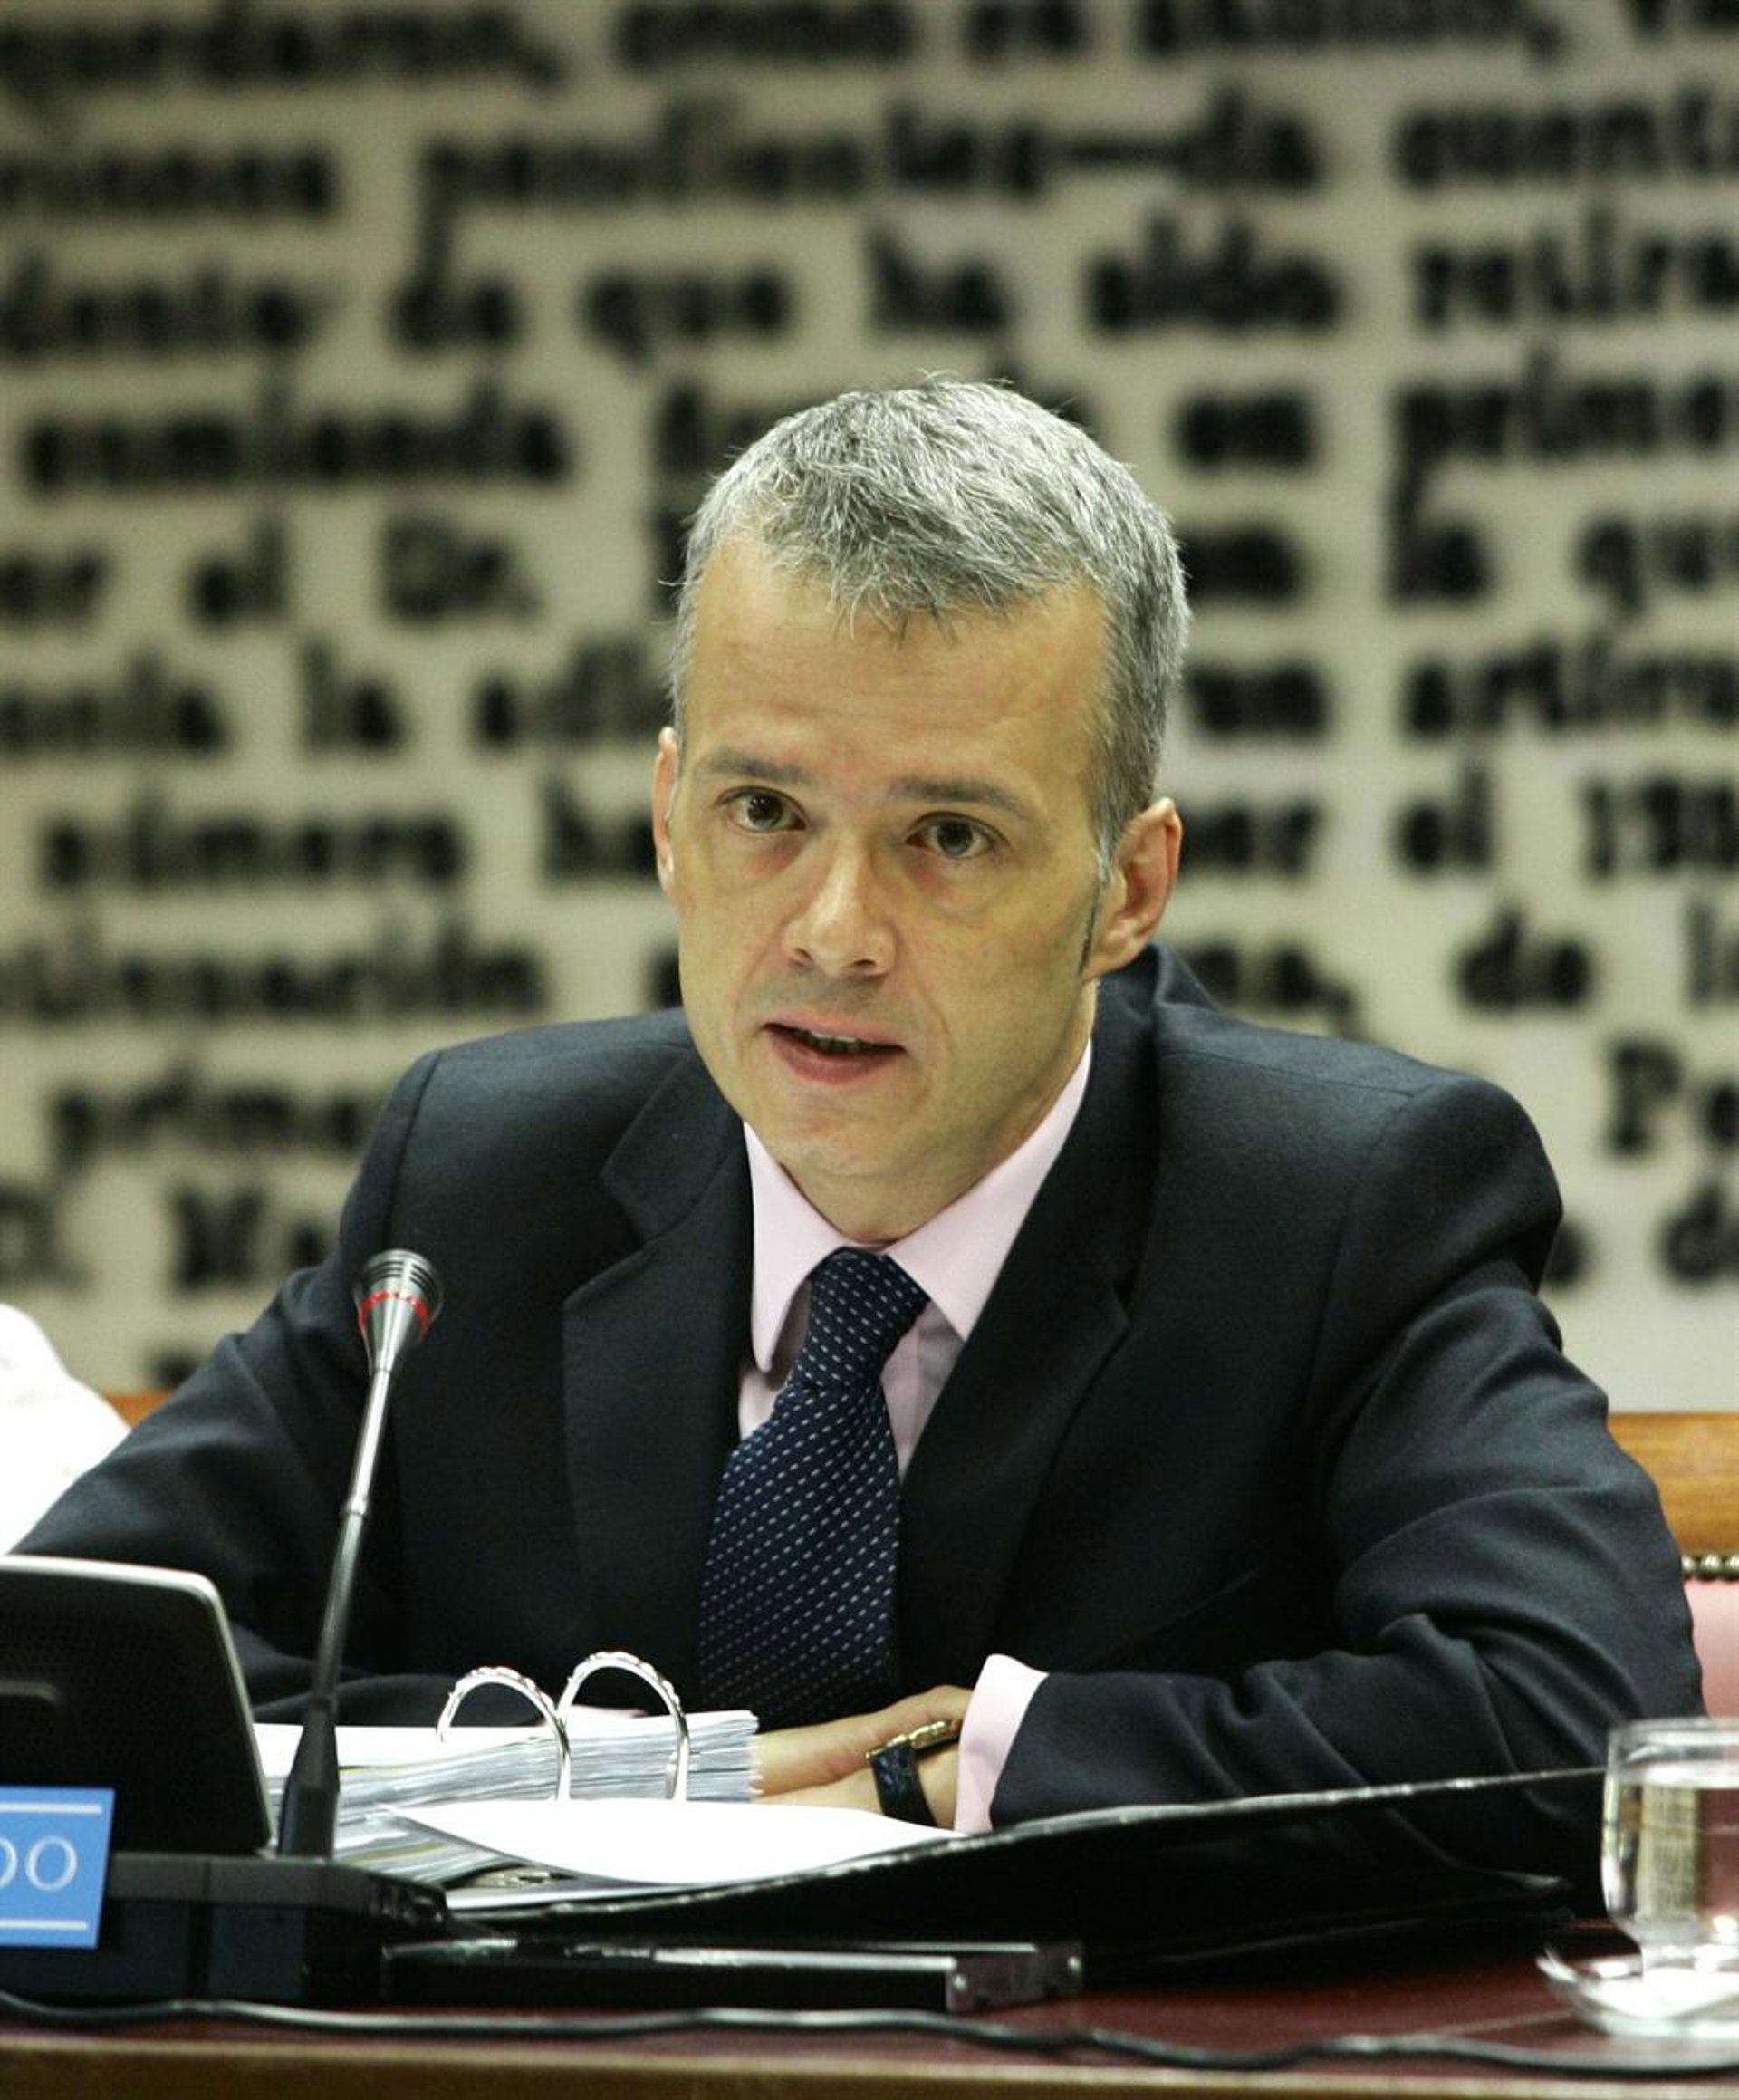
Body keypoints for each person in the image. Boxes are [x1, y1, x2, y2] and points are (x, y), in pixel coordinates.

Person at [20, 380, 1698, 1893]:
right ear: (667, 819)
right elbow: (55, 1676)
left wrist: (960, 1770)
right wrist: (653, 1777)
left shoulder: (1340, 1207)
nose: (834, 930)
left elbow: (1581, 1722)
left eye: (948, 837)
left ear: (1128, 887)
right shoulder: (481, 1175)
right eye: (765, 812)